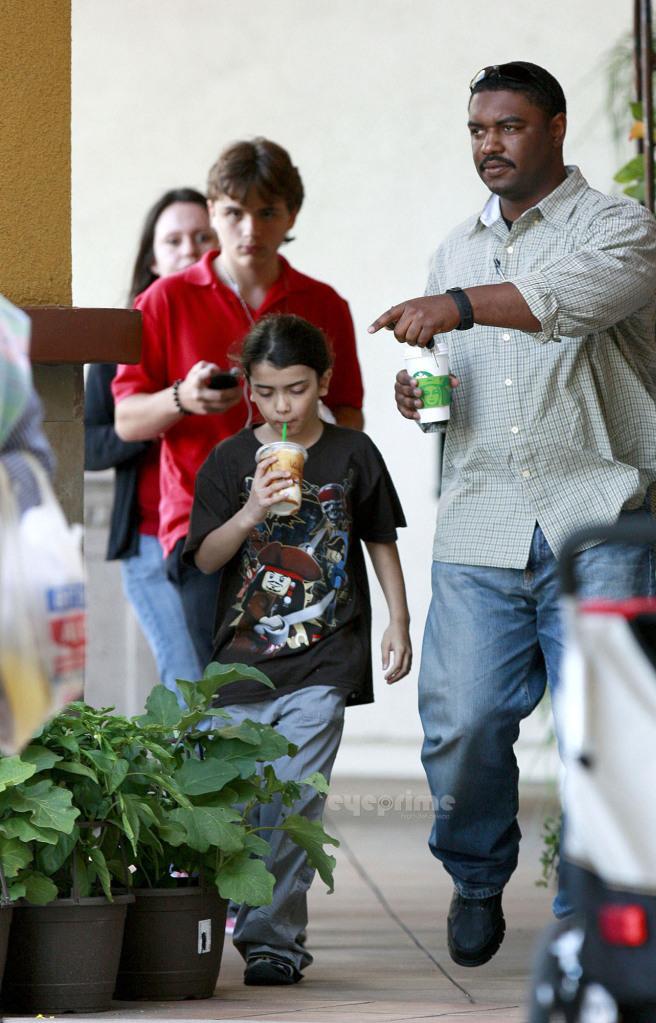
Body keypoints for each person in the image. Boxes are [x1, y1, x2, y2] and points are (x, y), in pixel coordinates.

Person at [368, 62, 656, 968]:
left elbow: (565, 305)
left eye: (509, 127)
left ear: (556, 129)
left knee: (604, 726)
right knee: (465, 721)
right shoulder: (454, 251)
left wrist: (452, 308)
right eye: (479, 128)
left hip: (595, 513)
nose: (490, 144)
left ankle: (584, 911)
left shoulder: (619, 229)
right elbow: (467, 370)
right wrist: (424, 393)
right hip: (482, 514)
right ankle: (477, 876)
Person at [183, 312, 411, 985]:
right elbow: (204, 559)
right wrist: (252, 508)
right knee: (236, 804)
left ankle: (273, 940)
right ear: (250, 391)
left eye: (297, 389)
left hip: (324, 660)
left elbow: (380, 540)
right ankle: (214, 917)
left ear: (324, 383)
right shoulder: (229, 462)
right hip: (242, 662)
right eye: (267, 391)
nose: (283, 405)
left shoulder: (352, 454)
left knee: (294, 799)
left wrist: (399, 620)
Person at [113, 139, 365, 669]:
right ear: (213, 212)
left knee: (294, 687)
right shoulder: (164, 299)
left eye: (267, 212)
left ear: (291, 214)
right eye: (233, 213)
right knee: (214, 698)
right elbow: (126, 418)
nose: (250, 230)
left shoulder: (323, 303)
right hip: (200, 526)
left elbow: (350, 415)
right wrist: (185, 397)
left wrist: (309, 418)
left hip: (301, 525)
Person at [85, 188, 217, 695]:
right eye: (174, 240)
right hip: (147, 539)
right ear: (153, 258)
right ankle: (188, 779)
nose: (189, 249)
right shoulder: (121, 341)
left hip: (229, 534)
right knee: (189, 687)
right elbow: (92, 445)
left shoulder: (234, 332)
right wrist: (162, 412)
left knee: (237, 691)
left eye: (202, 237)